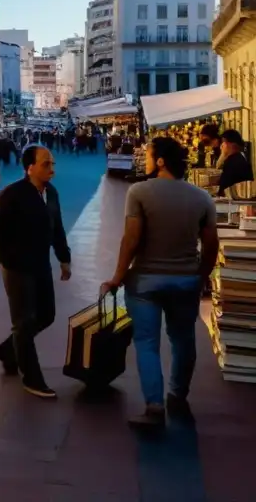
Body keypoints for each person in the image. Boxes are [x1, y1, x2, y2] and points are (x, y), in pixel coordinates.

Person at [101, 137, 220, 428]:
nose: (148, 158)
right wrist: (201, 276)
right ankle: (178, 395)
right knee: (183, 340)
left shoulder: (140, 192)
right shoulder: (202, 198)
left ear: (161, 161)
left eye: (151, 154)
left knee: (147, 343)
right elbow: (211, 244)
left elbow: (131, 239)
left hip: (145, 281)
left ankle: (154, 406)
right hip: (186, 280)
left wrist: (117, 276)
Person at [0, 145, 72, 399]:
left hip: (40, 263)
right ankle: (32, 378)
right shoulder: (13, 194)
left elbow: (57, 227)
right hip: (17, 266)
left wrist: (64, 258)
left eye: (52, 164)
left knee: (46, 314)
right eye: (46, 164)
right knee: (23, 322)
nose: (52, 169)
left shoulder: (51, 193)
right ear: (30, 167)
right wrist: (8, 257)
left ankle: (8, 350)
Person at [216, 128, 254, 197]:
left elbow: (224, 188)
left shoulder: (233, 162)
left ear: (231, 144)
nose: (221, 147)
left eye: (223, 142)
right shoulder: (239, 158)